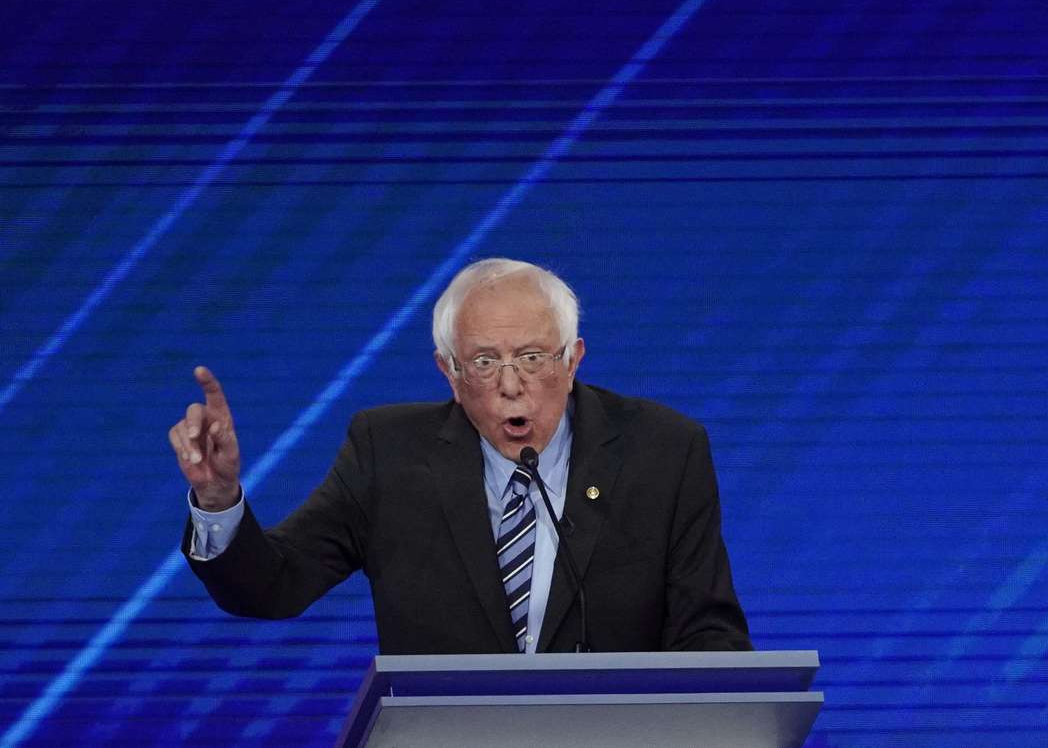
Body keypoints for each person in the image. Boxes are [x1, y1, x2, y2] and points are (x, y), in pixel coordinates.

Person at [169, 258, 750, 654]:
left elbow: (710, 633)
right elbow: (273, 586)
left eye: (532, 357)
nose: (511, 384)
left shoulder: (663, 452)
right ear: (448, 371)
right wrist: (218, 499)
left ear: (573, 361)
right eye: (484, 362)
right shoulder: (388, 454)